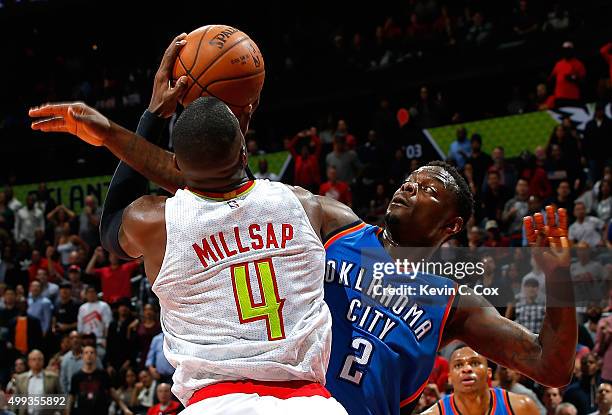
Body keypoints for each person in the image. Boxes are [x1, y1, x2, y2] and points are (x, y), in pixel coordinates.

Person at [30, 36, 578, 415]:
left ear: (453, 225)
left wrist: (558, 280)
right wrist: (119, 134)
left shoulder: (454, 300)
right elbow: (204, 180)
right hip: (287, 394)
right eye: (411, 177)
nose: (412, 185)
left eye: (430, 186)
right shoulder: (337, 226)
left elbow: (549, 365)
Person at [30, 35, 346, 415]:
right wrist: (238, 116)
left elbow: (111, 222)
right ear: (244, 148)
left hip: (214, 405)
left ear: (175, 164)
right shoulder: (303, 205)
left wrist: (151, 118)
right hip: (311, 405)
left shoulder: (156, 221)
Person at [421, 346, 540, 415]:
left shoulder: (522, 407)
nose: (467, 369)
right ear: (450, 378)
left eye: (475, 363)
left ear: (489, 373)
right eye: (458, 365)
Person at [67, 346, 132, 415]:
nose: (89, 355)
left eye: (92, 352)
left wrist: (125, 408)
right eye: (86, 353)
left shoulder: (103, 375)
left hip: (100, 411)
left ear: (95, 356)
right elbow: (72, 396)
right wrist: (67, 412)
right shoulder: (76, 376)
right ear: (82, 356)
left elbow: (112, 393)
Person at [11, 350, 62, 415]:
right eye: (34, 359)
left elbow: (61, 397)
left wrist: (58, 412)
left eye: (39, 359)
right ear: (29, 362)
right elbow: (15, 399)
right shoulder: (21, 378)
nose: (37, 362)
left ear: (43, 361)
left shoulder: (53, 377)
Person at [549, 41, 586, 107]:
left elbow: (583, 81)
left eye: (567, 50)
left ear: (572, 51)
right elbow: (552, 78)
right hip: (559, 97)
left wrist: (573, 79)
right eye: (564, 50)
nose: (565, 52)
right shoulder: (558, 64)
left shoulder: (578, 64)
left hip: (573, 97)